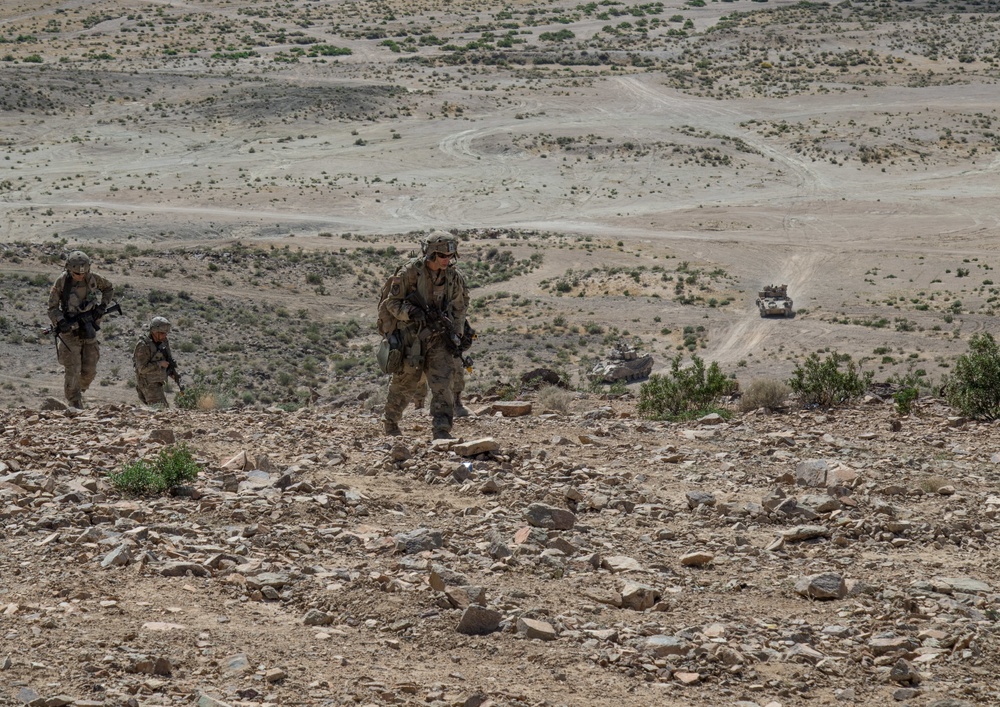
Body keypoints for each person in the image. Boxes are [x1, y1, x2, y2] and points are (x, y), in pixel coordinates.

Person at [379, 231, 469, 439]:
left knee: (442, 382)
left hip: (439, 337)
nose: (447, 260)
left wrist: (457, 333)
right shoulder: (409, 273)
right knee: (405, 383)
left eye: (449, 256)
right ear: (430, 254)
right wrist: (411, 312)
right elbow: (391, 303)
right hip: (412, 337)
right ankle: (390, 423)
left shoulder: (452, 277)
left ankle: (441, 428)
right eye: (442, 256)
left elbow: (459, 307)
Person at [46, 250, 114, 409]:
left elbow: (109, 288)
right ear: (69, 268)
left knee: (90, 370)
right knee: (73, 369)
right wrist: (61, 321)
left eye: (83, 272)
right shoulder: (62, 282)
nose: (80, 276)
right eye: (76, 273)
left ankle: (80, 388)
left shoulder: (93, 279)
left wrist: (102, 306)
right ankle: (74, 403)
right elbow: (51, 308)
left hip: (89, 327)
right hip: (70, 332)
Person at [133, 316, 180, 406]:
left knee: (159, 412)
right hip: (147, 385)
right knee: (162, 411)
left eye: (166, 333)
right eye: (162, 333)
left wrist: (171, 373)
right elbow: (141, 369)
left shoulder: (163, 341)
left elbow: (167, 359)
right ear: (154, 331)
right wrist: (159, 364)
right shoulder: (143, 346)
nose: (164, 335)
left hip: (156, 383)